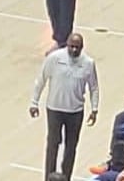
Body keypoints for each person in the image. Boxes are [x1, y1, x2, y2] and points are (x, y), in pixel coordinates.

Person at [30, 33, 99, 179]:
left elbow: (94, 88)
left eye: (77, 47)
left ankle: (66, 177)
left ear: (82, 47)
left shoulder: (88, 63)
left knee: (71, 147)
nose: (74, 50)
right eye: (71, 46)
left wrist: (94, 109)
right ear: (67, 44)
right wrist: (34, 102)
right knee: (53, 144)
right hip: (54, 109)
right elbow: (41, 80)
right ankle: (49, 176)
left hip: (75, 111)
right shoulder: (54, 58)